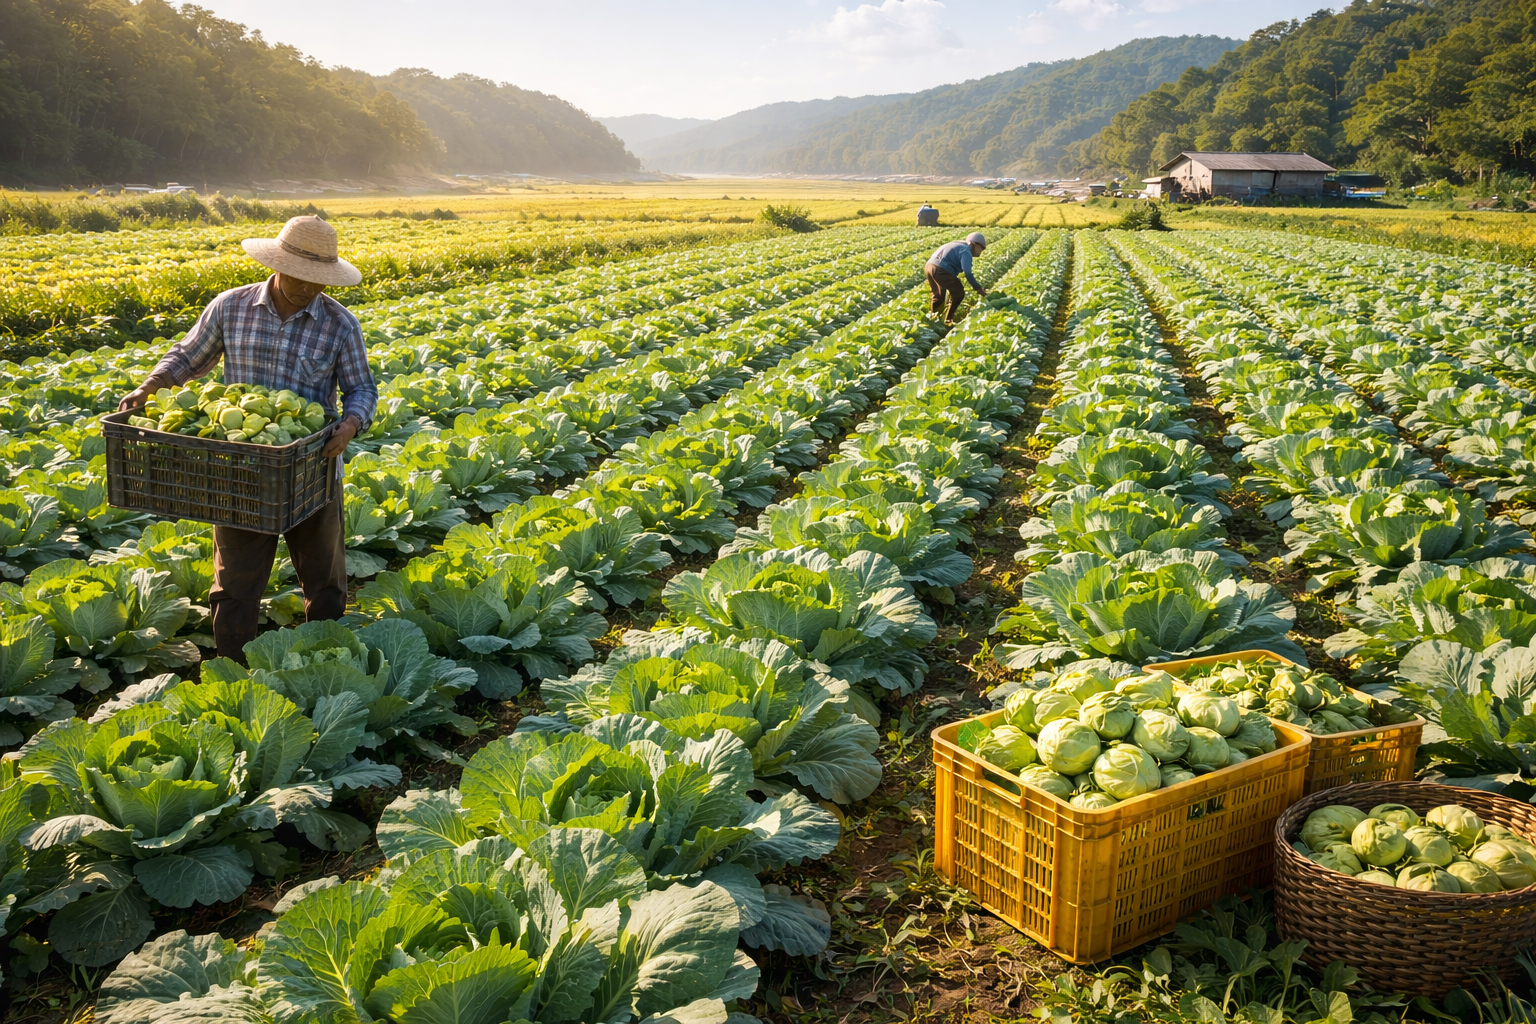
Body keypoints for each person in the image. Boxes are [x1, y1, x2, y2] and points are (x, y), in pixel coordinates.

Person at [118, 215, 377, 663]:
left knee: (326, 579)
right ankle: (233, 672)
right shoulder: (231, 307)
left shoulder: (340, 324)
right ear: (277, 265)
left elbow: (362, 389)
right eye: (302, 278)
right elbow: (187, 357)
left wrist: (351, 424)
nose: (311, 289)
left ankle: (327, 662)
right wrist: (151, 385)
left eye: (320, 281)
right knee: (235, 581)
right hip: (242, 470)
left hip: (310, 466)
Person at [925, 232, 988, 323]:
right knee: (958, 293)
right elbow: (968, 273)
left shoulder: (958, 244)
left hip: (929, 266)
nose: (981, 251)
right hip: (941, 269)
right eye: (982, 248)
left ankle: (934, 320)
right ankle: (948, 320)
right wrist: (978, 288)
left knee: (938, 295)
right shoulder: (966, 251)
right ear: (975, 244)